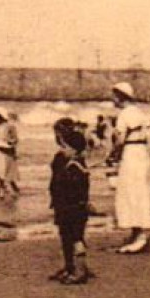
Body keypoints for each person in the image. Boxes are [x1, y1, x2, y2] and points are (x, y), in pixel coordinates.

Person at [109, 82, 150, 253]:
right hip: (141, 153)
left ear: (121, 97)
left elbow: (120, 140)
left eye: (114, 96)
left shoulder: (124, 114)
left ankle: (140, 235)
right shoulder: (139, 112)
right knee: (138, 190)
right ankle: (137, 233)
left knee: (131, 191)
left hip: (131, 153)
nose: (112, 99)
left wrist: (113, 154)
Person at [49, 117, 93, 285]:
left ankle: (80, 270)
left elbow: (79, 190)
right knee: (67, 236)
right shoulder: (67, 162)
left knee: (76, 238)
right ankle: (72, 267)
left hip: (73, 208)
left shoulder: (76, 167)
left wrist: (82, 204)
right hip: (65, 206)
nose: (62, 149)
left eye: (65, 147)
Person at [0, 108, 21, 197]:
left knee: (9, 175)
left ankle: (14, 190)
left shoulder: (10, 126)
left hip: (8, 153)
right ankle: (2, 191)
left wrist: (10, 143)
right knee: (0, 174)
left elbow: (15, 139)